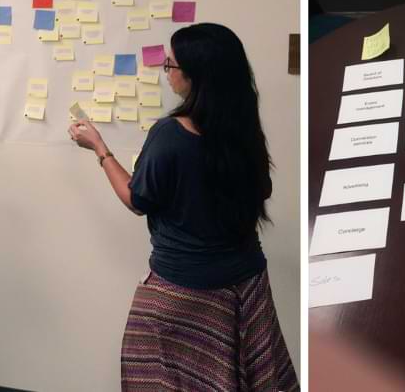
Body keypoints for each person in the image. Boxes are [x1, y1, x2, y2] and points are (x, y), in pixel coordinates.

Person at [67, 23, 299, 391]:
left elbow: (136, 199)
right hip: (248, 286)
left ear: (194, 76)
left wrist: (100, 148)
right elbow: (262, 188)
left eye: (170, 65)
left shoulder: (170, 134)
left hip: (183, 291)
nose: (167, 72)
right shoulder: (242, 126)